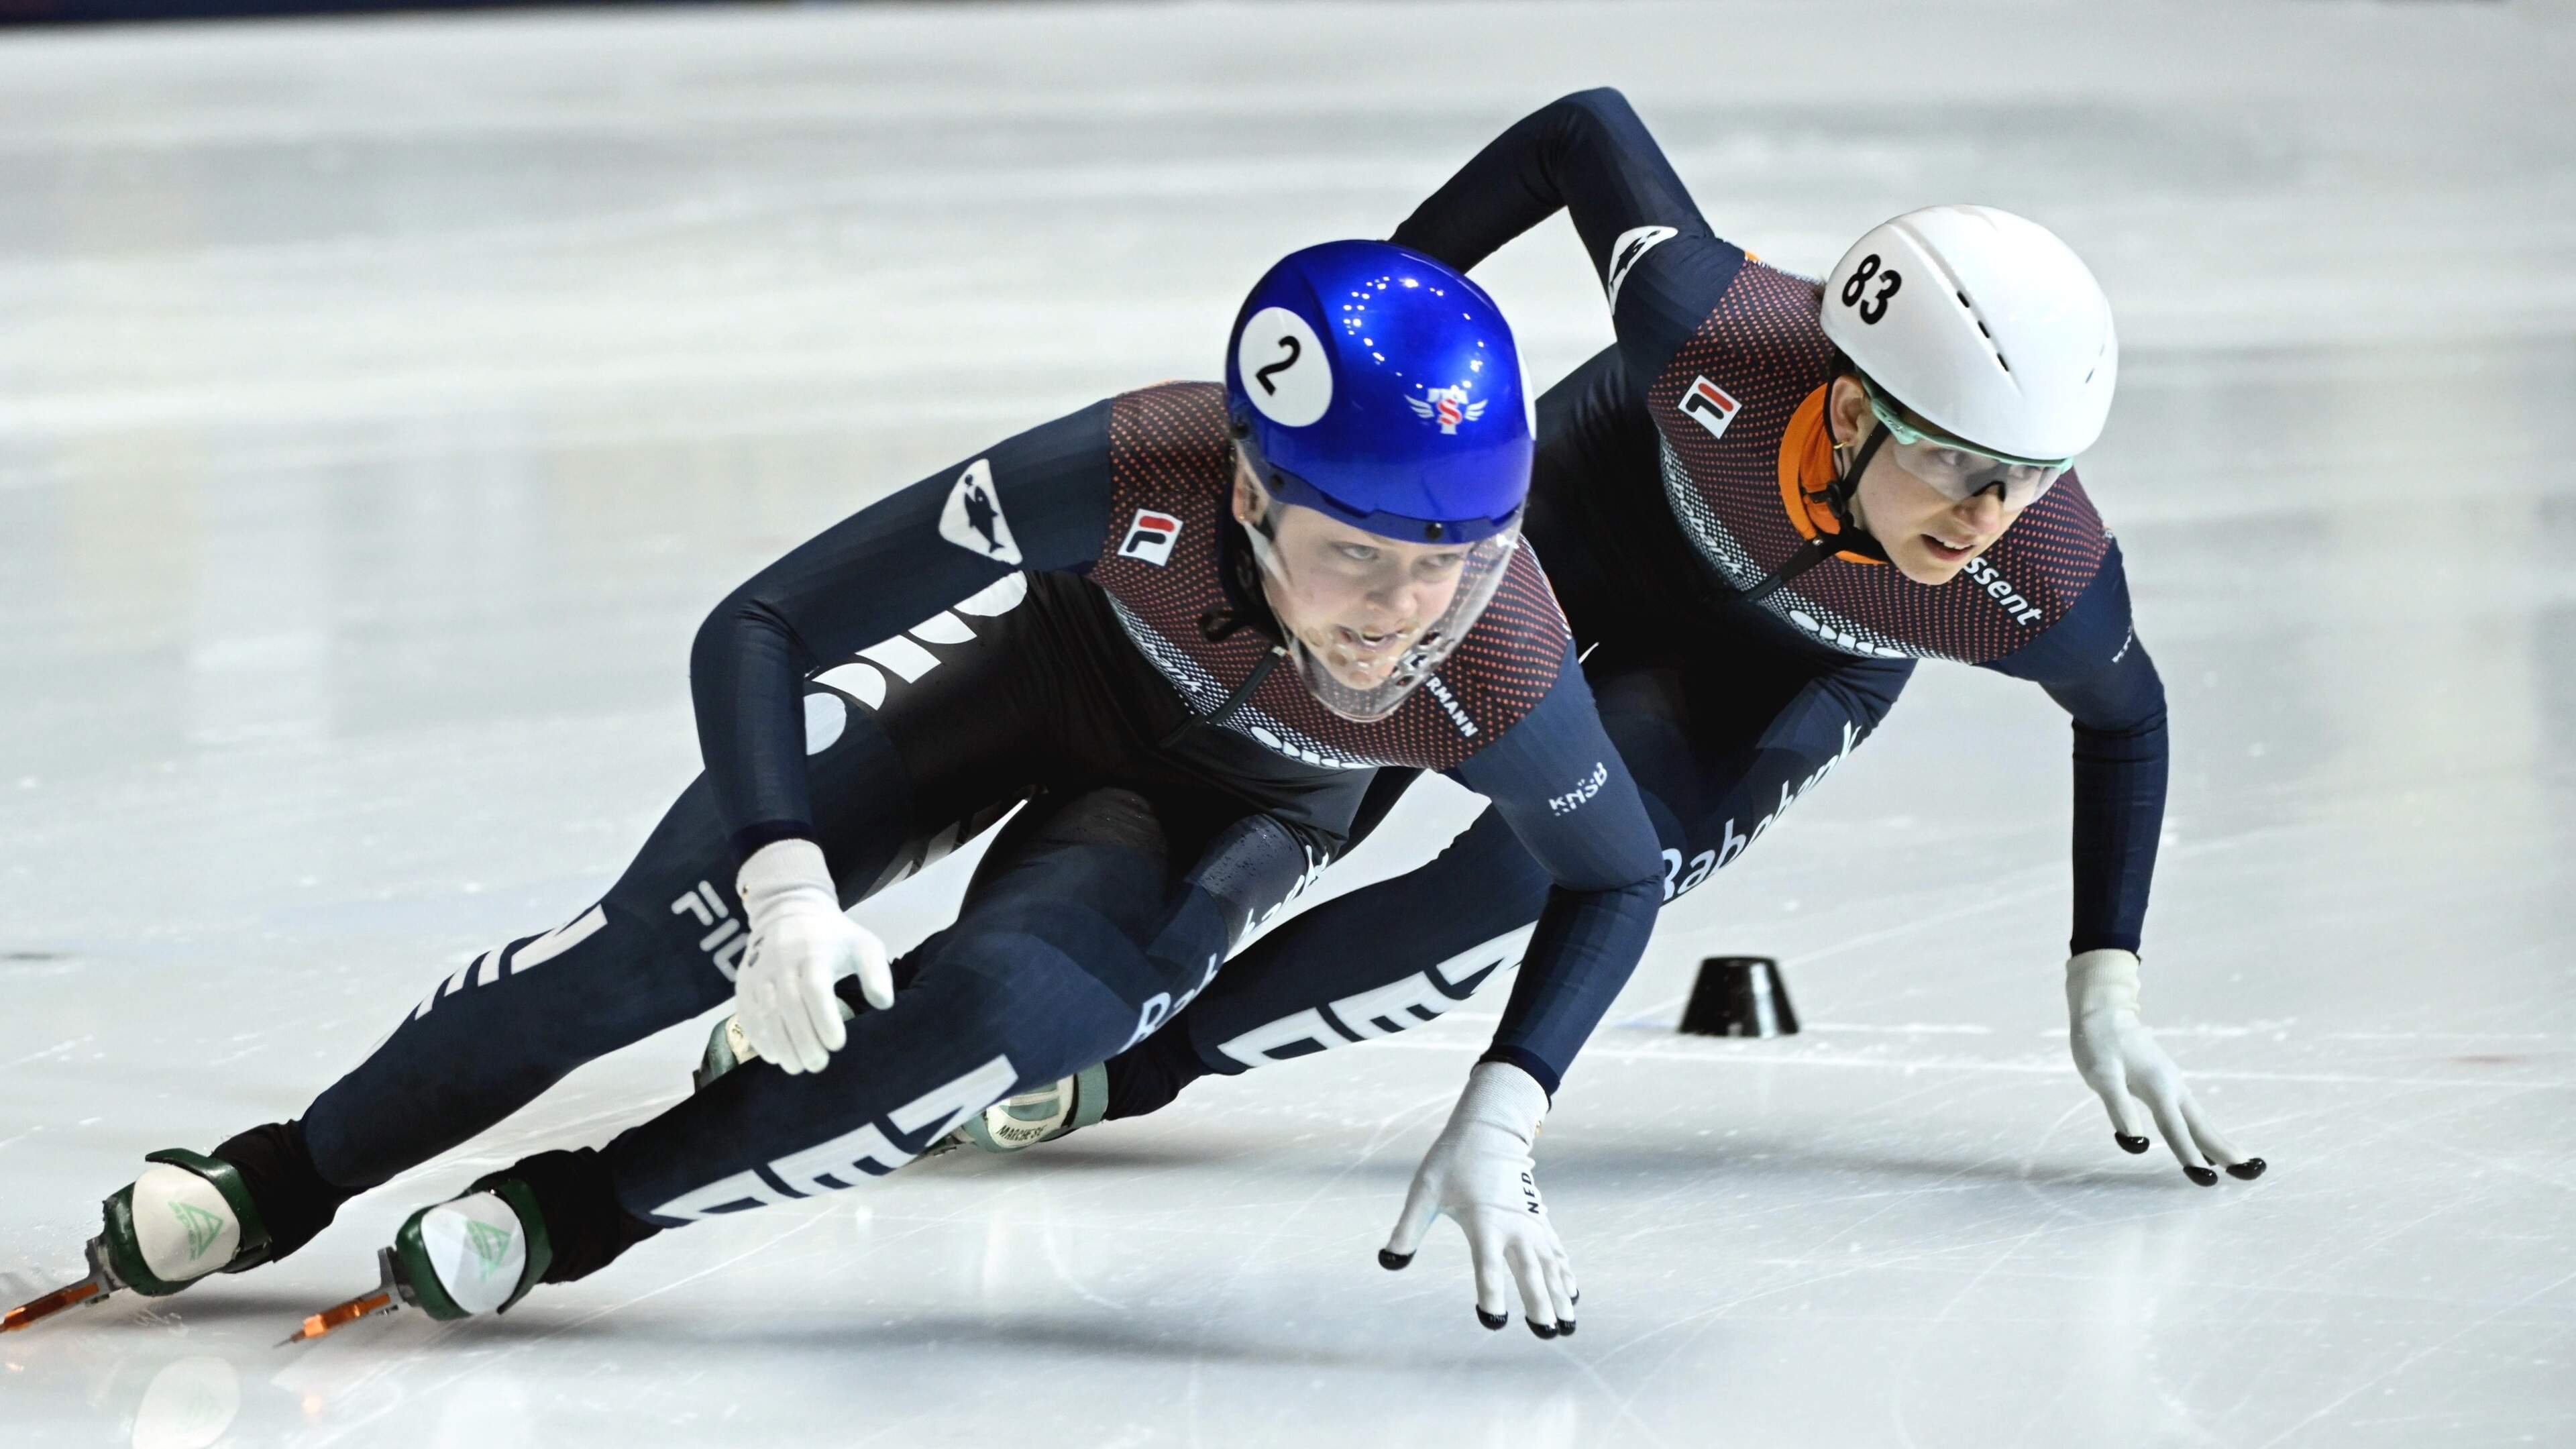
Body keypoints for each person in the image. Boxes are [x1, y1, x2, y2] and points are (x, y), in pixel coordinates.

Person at [3, 241, 1662, 1344]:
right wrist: (788, 884)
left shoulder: (1499, 664)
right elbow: (768, 624)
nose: (1402, 615)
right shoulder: (1130, 471)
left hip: (1228, 816)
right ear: (1245, 489)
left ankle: (580, 1211)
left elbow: (1615, 869)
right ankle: (282, 1172)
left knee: (1008, 1021)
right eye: (1358, 555)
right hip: (1041, 684)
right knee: (657, 945)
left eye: (1457, 561)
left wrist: (1508, 1102)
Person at [964, 89, 2266, 1191]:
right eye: (1953, 460)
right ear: (1848, 407)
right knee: (1314, 748)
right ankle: (1021, 976)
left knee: (1521, 890)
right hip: (1589, 525)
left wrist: (2107, 985)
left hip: (1775, 671)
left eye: (2031, 477)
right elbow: (1585, 133)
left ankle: (1123, 1074)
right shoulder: (1712, 328)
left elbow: (2128, 720)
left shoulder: (2042, 582)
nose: (1987, 517)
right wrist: (1381, 325)